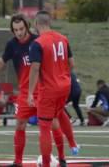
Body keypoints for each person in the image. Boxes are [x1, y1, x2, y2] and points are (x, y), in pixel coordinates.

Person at [0, 13, 77, 167]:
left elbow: (48, 64)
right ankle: (18, 162)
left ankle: (62, 159)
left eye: (21, 28)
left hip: (44, 91)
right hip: (25, 93)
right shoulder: (12, 45)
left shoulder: (38, 41)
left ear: (28, 26)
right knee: (20, 124)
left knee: (54, 124)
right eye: (15, 29)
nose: (19, 32)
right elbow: (1, 61)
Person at [28, 10, 76, 167]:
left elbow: (35, 68)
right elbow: (71, 64)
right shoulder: (63, 39)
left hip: (49, 89)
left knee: (44, 127)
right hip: (65, 86)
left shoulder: (38, 43)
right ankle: (65, 155)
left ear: (36, 24)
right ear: (49, 22)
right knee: (59, 115)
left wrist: (30, 93)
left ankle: (47, 164)